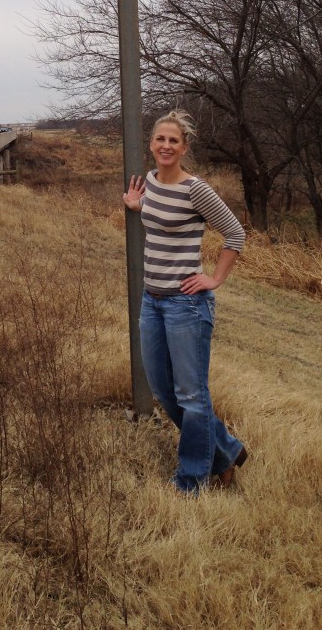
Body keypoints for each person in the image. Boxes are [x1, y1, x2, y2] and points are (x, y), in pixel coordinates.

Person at [123, 110, 247, 494]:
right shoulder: (151, 184)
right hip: (152, 302)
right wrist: (136, 205)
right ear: (152, 143)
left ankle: (191, 479)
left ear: (184, 148)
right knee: (163, 390)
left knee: (192, 396)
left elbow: (235, 234)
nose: (166, 146)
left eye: (173, 141)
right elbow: (160, 219)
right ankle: (226, 452)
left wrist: (215, 278)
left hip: (186, 306)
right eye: (160, 139)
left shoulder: (197, 189)